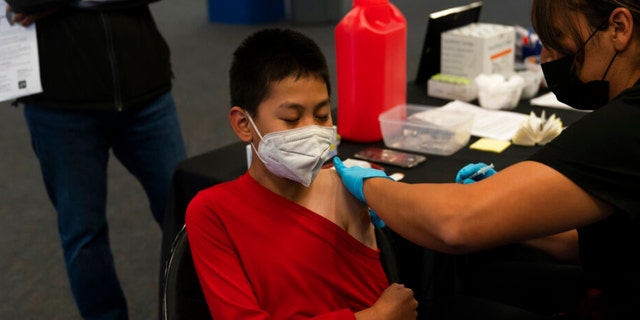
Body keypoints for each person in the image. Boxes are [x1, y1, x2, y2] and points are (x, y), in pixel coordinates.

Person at [332, 0, 640, 318]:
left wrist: (372, 186)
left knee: (447, 310)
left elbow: (454, 224)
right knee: (483, 280)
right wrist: (518, 213)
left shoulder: (626, 125)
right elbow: (593, 242)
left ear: (619, 28)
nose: (547, 60)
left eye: (557, 42)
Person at [185, 28, 418, 320]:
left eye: (322, 115)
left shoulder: (348, 186)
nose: (312, 131)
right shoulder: (213, 212)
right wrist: (374, 317)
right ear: (244, 124)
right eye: (292, 119)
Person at [6, 1, 187, 319]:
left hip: (146, 90)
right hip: (60, 107)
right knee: (82, 233)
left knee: (188, 216)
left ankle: (192, 308)